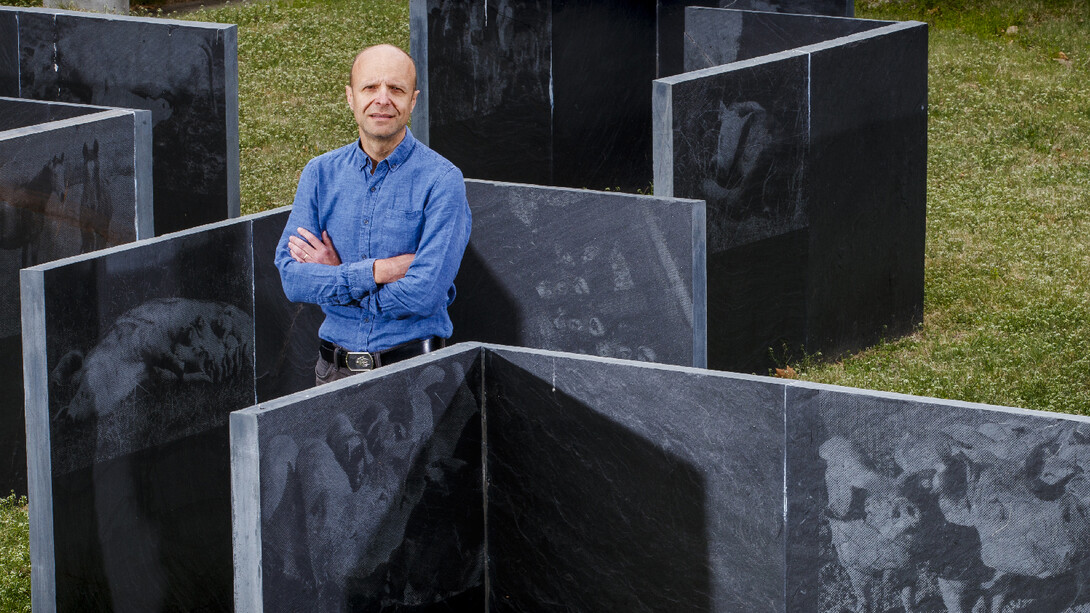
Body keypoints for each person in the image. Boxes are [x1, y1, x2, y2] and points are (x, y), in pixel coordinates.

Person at [275, 44, 471, 386]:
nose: (382, 99)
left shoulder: (442, 180)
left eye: (396, 89)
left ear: (413, 100)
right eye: (370, 87)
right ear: (351, 97)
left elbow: (424, 294)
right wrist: (381, 270)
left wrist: (337, 279)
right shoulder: (320, 174)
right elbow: (293, 279)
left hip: (416, 377)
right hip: (331, 375)